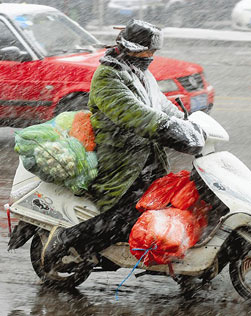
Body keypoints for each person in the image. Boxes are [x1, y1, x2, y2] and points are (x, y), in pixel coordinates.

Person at [41, 19, 206, 272]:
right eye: (147, 51)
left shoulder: (140, 73)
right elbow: (134, 114)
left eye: (153, 52)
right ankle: (66, 241)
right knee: (127, 215)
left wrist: (187, 123)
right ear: (131, 47)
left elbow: (160, 105)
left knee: (169, 201)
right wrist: (168, 129)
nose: (151, 56)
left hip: (145, 155)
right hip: (120, 159)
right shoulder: (108, 76)